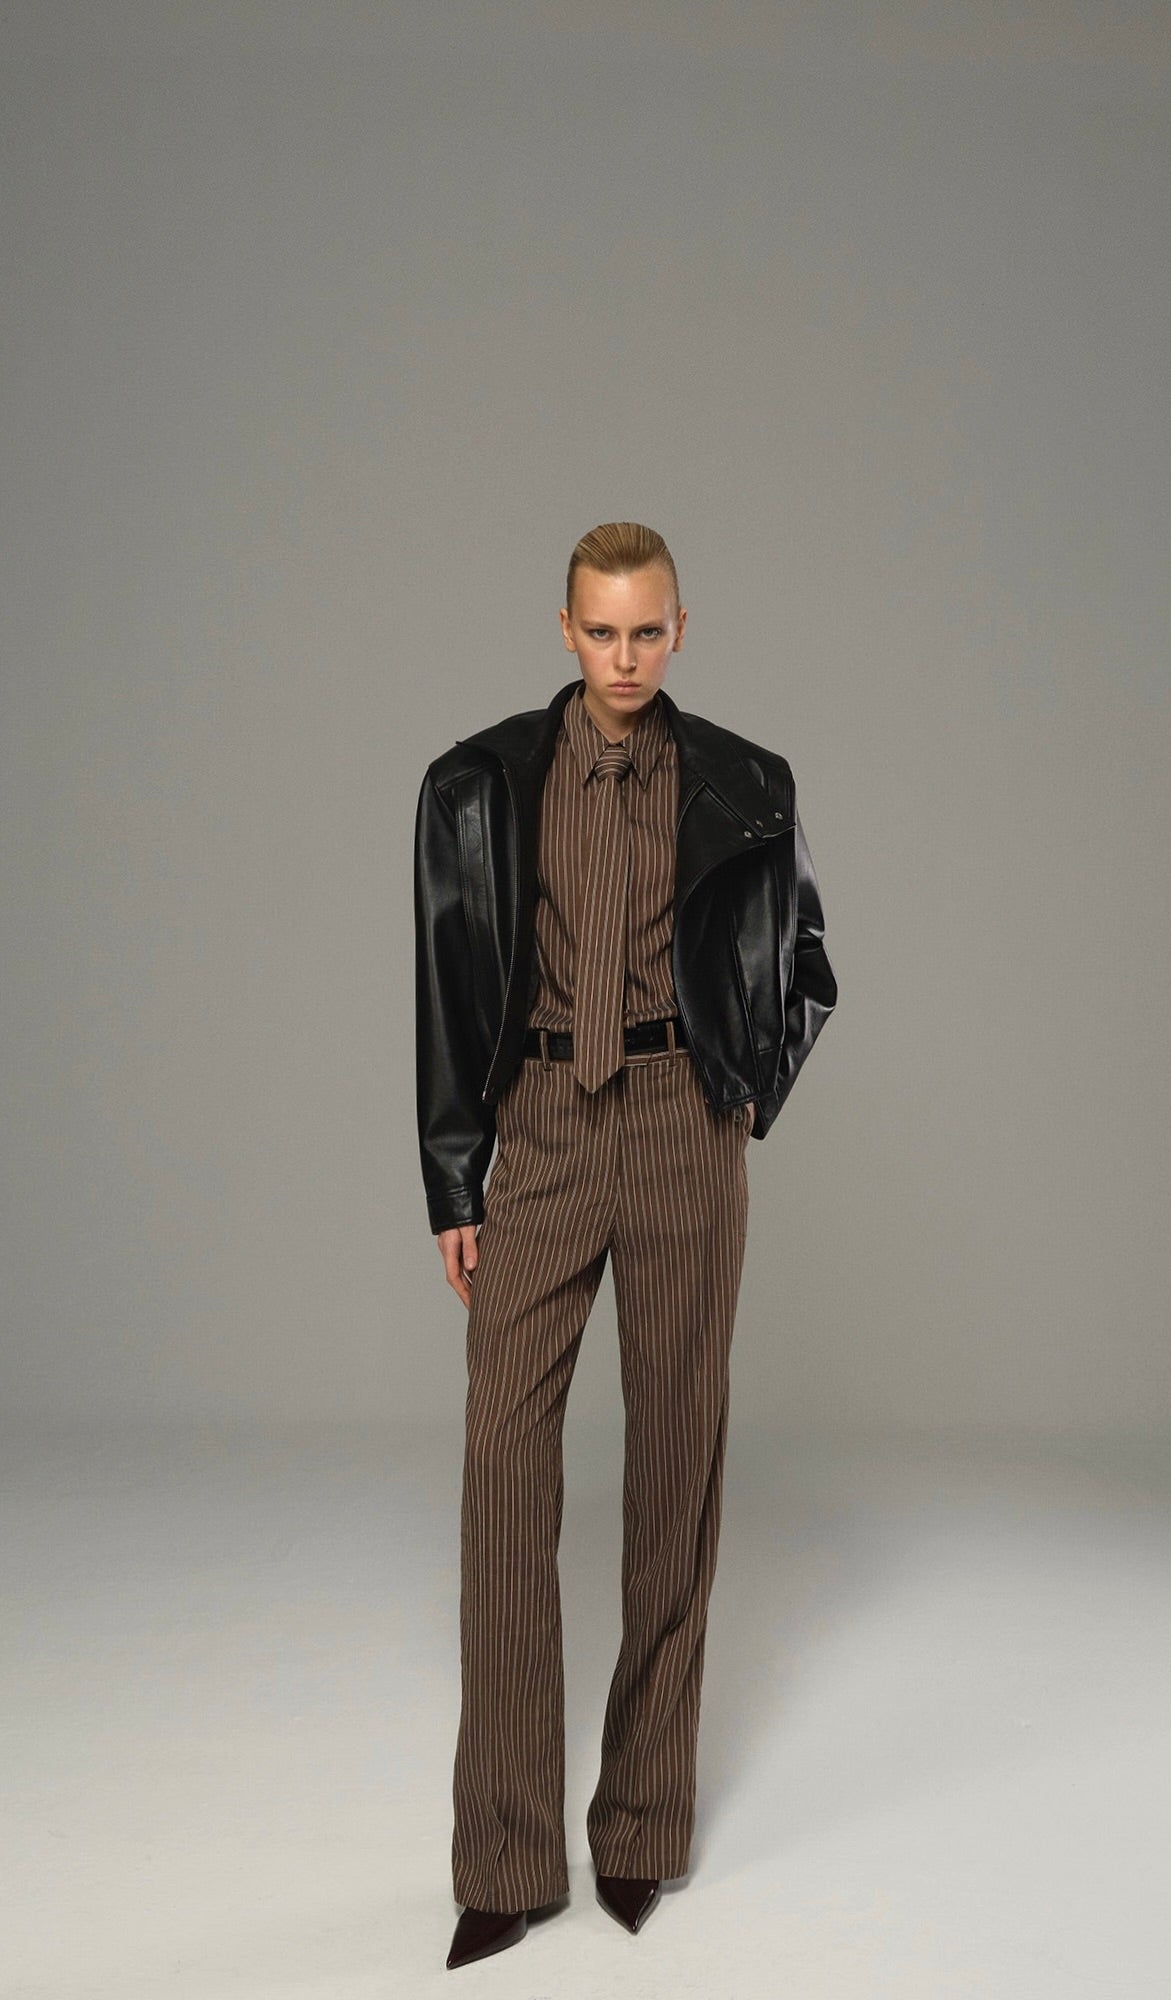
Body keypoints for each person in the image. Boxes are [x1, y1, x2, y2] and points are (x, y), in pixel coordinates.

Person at [413, 521, 837, 1970]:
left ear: (679, 630)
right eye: (601, 632)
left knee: (674, 1463)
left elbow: (807, 965)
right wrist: (456, 1177)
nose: (625, 657)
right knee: (502, 1468)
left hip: (678, 1127)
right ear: (564, 630)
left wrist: (744, 1091)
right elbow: (445, 985)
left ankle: (643, 1827)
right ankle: (504, 1854)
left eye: (648, 631)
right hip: (538, 1124)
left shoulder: (745, 782)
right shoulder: (479, 784)